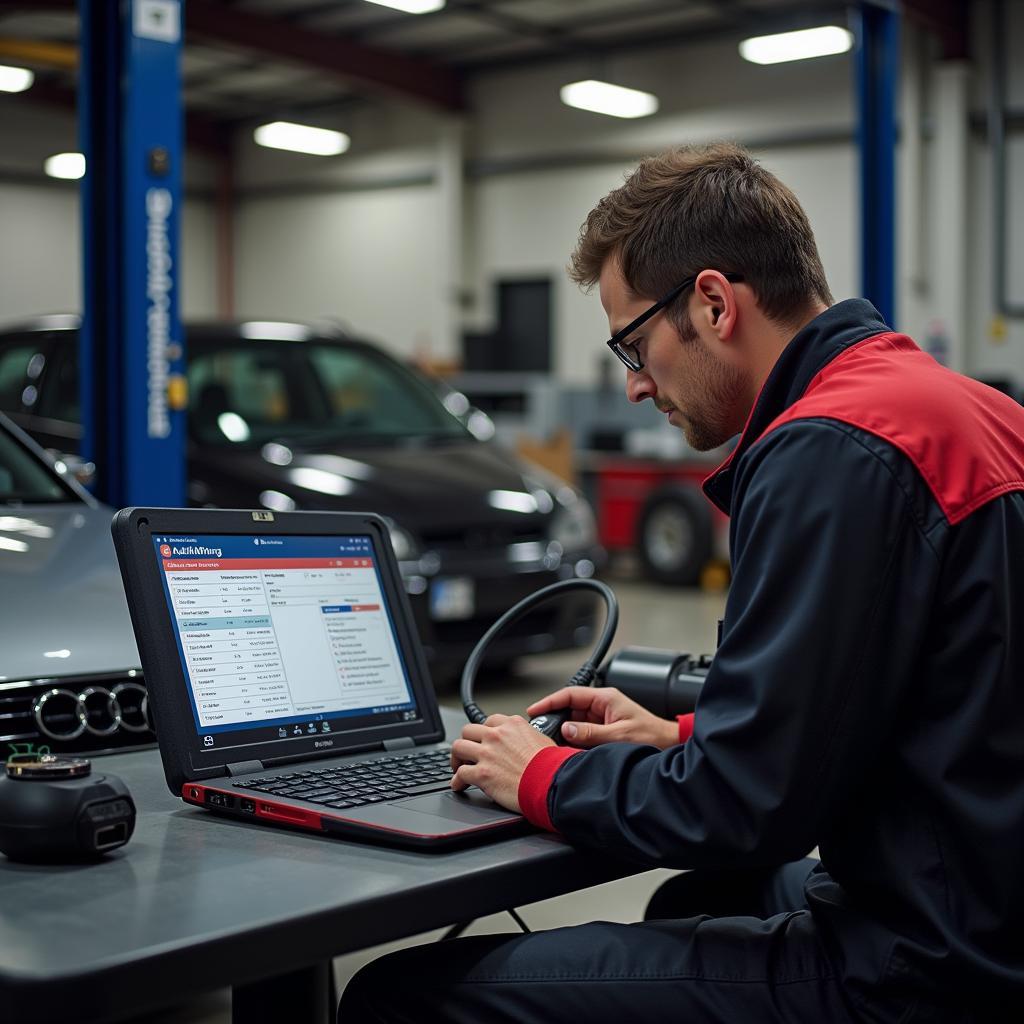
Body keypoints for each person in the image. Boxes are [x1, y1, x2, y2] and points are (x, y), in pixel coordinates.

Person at [339, 143, 1024, 1023]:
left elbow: (745, 806)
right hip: (986, 904)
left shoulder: (829, 448)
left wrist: (543, 774)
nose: (632, 385)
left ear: (712, 302)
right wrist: (690, 733)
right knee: (696, 902)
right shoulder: (966, 408)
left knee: (402, 996)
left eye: (633, 342)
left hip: (927, 968)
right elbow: (924, 686)